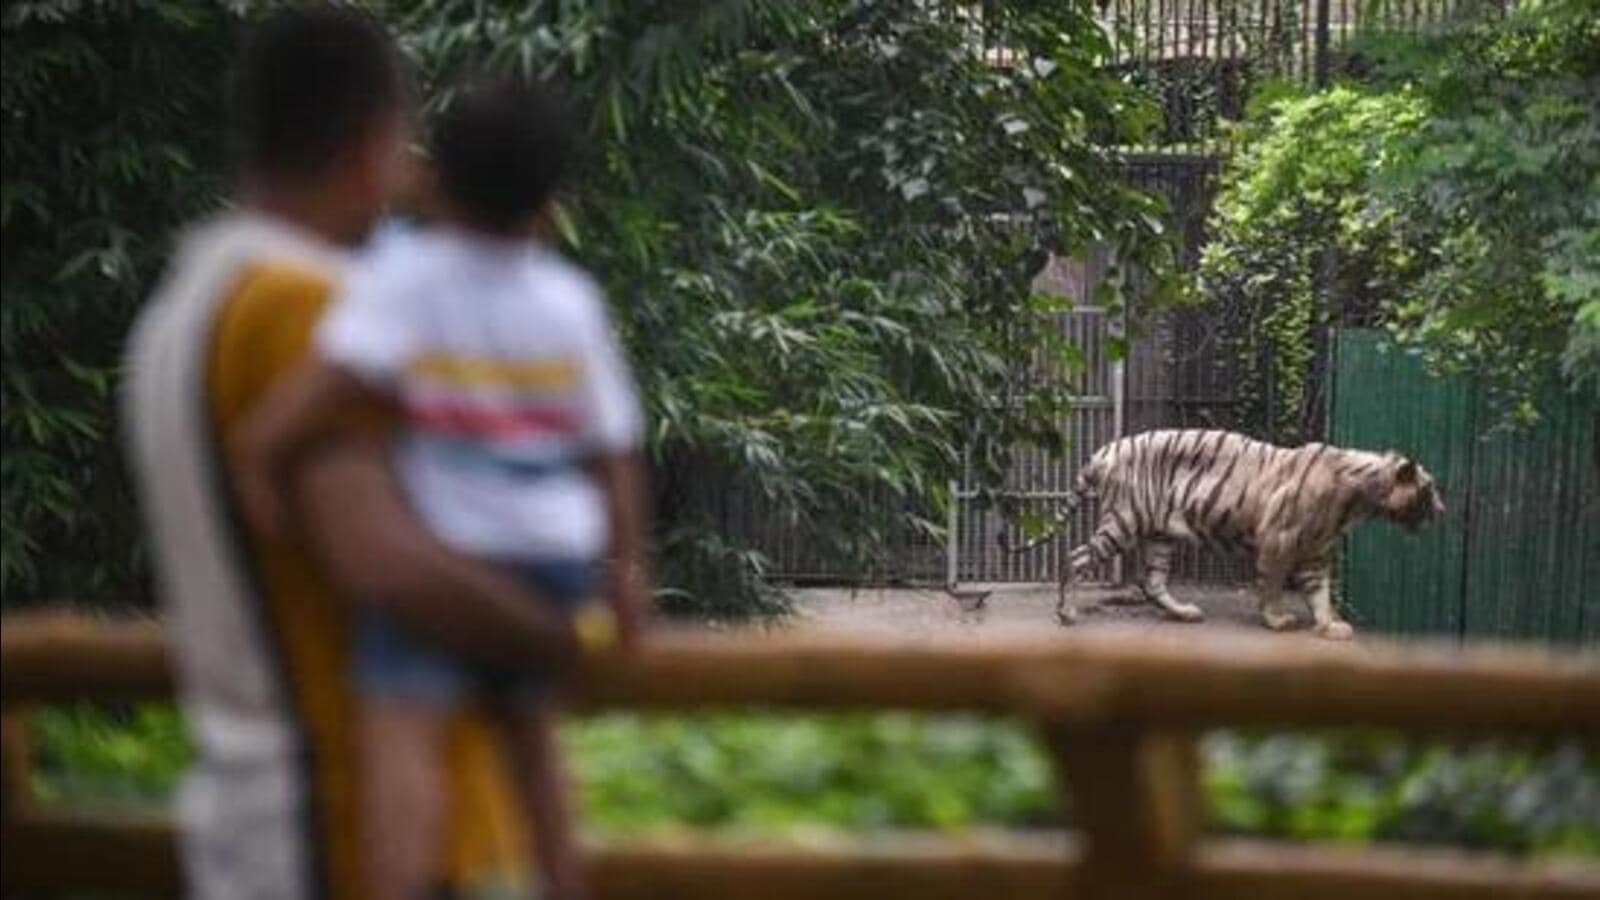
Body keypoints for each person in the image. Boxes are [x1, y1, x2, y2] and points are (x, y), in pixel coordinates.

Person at [121, 7, 600, 899]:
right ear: (372, 141)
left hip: (257, 816)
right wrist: (552, 636)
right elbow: (384, 561)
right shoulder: (306, 309)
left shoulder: (185, 303)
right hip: (337, 834)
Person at [229, 75, 650, 900]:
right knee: (535, 750)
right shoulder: (571, 303)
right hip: (553, 562)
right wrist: (625, 573)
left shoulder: (408, 278)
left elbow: (333, 379)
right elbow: (615, 454)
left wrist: (259, 448)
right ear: (549, 204)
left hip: (451, 552)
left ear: (436, 179)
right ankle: (567, 885)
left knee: (401, 742)